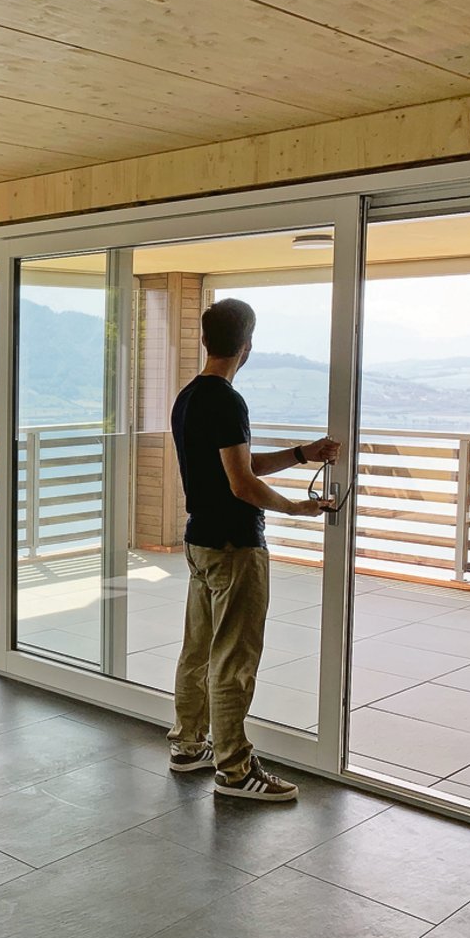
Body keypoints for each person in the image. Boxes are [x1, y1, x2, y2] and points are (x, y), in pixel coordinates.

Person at [166, 298, 340, 802]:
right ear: (247, 346)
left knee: (198, 650)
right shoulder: (228, 401)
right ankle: (235, 770)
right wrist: (296, 508)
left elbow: (238, 466)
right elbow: (242, 485)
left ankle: (188, 745)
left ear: (205, 340)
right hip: (234, 546)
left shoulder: (189, 398)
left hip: (201, 541)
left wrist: (302, 454)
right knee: (234, 660)